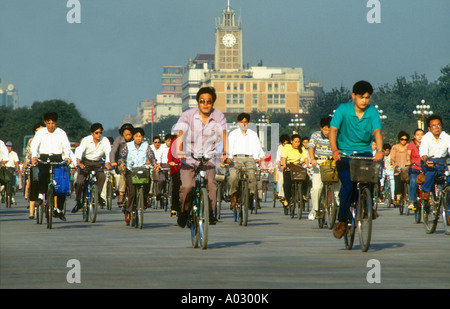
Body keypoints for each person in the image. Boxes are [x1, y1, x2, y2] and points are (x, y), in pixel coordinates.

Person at [329, 80, 383, 239]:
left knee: (372, 178)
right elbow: (333, 130)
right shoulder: (343, 110)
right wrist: (334, 150)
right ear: (353, 96)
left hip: (364, 153)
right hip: (344, 154)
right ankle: (342, 220)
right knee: (348, 186)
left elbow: (377, 132)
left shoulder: (372, 111)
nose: (364, 101)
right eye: (361, 97)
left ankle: (367, 205)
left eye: (367, 97)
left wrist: (379, 150)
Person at [173, 87, 227, 228]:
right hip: (189, 157)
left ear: (213, 103)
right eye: (202, 101)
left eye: (209, 101)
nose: (205, 104)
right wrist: (179, 150)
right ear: (198, 102)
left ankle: (210, 212)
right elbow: (180, 133)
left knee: (211, 185)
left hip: (208, 157)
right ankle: (184, 211)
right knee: (187, 186)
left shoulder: (219, 116)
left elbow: (223, 135)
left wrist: (225, 153)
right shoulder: (187, 115)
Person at [30, 112, 73, 221]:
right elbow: (34, 145)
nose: (50, 126)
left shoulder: (61, 133)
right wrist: (34, 156)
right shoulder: (40, 133)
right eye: (48, 123)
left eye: (53, 123)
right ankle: (40, 196)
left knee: (61, 185)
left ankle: (58, 209)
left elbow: (66, 146)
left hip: (57, 158)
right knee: (43, 174)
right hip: (44, 157)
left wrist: (67, 157)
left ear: (56, 123)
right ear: (45, 123)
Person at [118, 127, 157, 225]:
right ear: (133, 137)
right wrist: (122, 163)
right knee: (132, 191)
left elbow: (151, 155)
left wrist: (154, 163)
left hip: (143, 169)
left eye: (140, 136)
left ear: (142, 137)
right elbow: (122, 156)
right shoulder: (128, 146)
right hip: (131, 170)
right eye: (136, 136)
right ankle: (129, 210)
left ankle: (144, 202)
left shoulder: (146, 145)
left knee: (148, 183)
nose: (138, 138)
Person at [227, 113, 264, 210]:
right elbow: (230, 146)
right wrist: (229, 157)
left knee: (252, 176)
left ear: (248, 123)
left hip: (250, 159)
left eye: (245, 122)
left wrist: (257, 158)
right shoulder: (233, 134)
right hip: (236, 159)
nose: (243, 124)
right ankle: (233, 194)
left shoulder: (253, 134)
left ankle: (251, 196)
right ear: (238, 123)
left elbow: (257, 147)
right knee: (233, 177)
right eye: (241, 122)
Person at [71, 123, 111, 213]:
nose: (99, 135)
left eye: (100, 133)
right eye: (96, 133)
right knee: (79, 182)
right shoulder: (86, 140)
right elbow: (80, 151)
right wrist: (79, 162)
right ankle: (78, 202)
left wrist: (108, 163)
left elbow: (108, 152)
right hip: (86, 162)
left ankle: (97, 195)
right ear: (92, 133)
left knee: (102, 176)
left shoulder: (105, 140)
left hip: (98, 162)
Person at [307, 116, 340, 221]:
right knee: (316, 188)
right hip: (319, 163)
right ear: (321, 128)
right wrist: (312, 159)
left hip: (333, 163)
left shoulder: (337, 135)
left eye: (329, 130)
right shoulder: (315, 135)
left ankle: (336, 199)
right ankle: (315, 209)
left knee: (339, 181)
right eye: (325, 129)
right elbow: (311, 147)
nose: (327, 132)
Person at [419, 115, 450, 205]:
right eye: (433, 126)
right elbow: (423, 151)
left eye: (438, 125)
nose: (437, 127)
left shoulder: (446, 136)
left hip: (443, 161)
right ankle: (426, 191)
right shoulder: (426, 137)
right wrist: (427, 161)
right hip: (429, 161)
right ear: (429, 128)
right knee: (431, 172)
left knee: (447, 177)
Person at [24, 122, 46, 219]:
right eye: (38, 131)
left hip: (46, 164)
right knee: (33, 187)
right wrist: (28, 163)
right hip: (35, 165)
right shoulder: (31, 141)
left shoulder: (48, 140)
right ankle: (31, 212)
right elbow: (28, 154)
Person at [281, 134, 309, 208]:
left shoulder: (301, 147)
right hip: (289, 166)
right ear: (291, 141)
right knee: (287, 184)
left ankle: (303, 194)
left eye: (298, 142)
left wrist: (308, 165)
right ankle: (287, 199)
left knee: (306, 178)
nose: (297, 143)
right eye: (295, 142)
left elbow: (305, 157)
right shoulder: (287, 147)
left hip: (297, 166)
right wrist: (284, 165)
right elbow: (283, 157)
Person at [110, 123, 134, 207]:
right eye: (126, 134)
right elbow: (113, 151)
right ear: (122, 134)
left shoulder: (134, 141)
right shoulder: (119, 140)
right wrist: (113, 161)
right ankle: (121, 194)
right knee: (124, 173)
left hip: (133, 165)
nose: (128, 136)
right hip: (120, 164)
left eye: (130, 134)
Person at [406, 129, 424, 209]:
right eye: (418, 135)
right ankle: (412, 201)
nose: (420, 136)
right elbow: (408, 154)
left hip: (424, 168)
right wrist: (408, 162)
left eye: (421, 134)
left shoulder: (426, 144)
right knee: (413, 181)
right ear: (414, 136)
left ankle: (430, 199)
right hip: (414, 168)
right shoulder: (411, 145)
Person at [390, 131, 410, 204]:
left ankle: (408, 197)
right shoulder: (395, 147)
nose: (404, 141)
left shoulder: (408, 147)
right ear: (399, 139)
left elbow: (410, 156)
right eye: (402, 139)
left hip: (406, 168)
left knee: (408, 182)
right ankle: (398, 199)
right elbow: (392, 158)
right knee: (398, 183)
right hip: (397, 169)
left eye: (405, 139)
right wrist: (394, 165)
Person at [167, 134, 181, 217]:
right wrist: (170, 161)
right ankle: (174, 208)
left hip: (188, 168)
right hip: (176, 168)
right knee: (176, 188)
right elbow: (170, 154)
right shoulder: (175, 142)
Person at [275, 134, 290, 204]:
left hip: (290, 167)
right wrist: (279, 163)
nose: (285, 145)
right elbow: (278, 158)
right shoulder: (280, 147)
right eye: (283, 143)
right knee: (281, 180)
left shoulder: (291, 147)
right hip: (282, 168)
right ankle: (282, 195)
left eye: (286, 143)